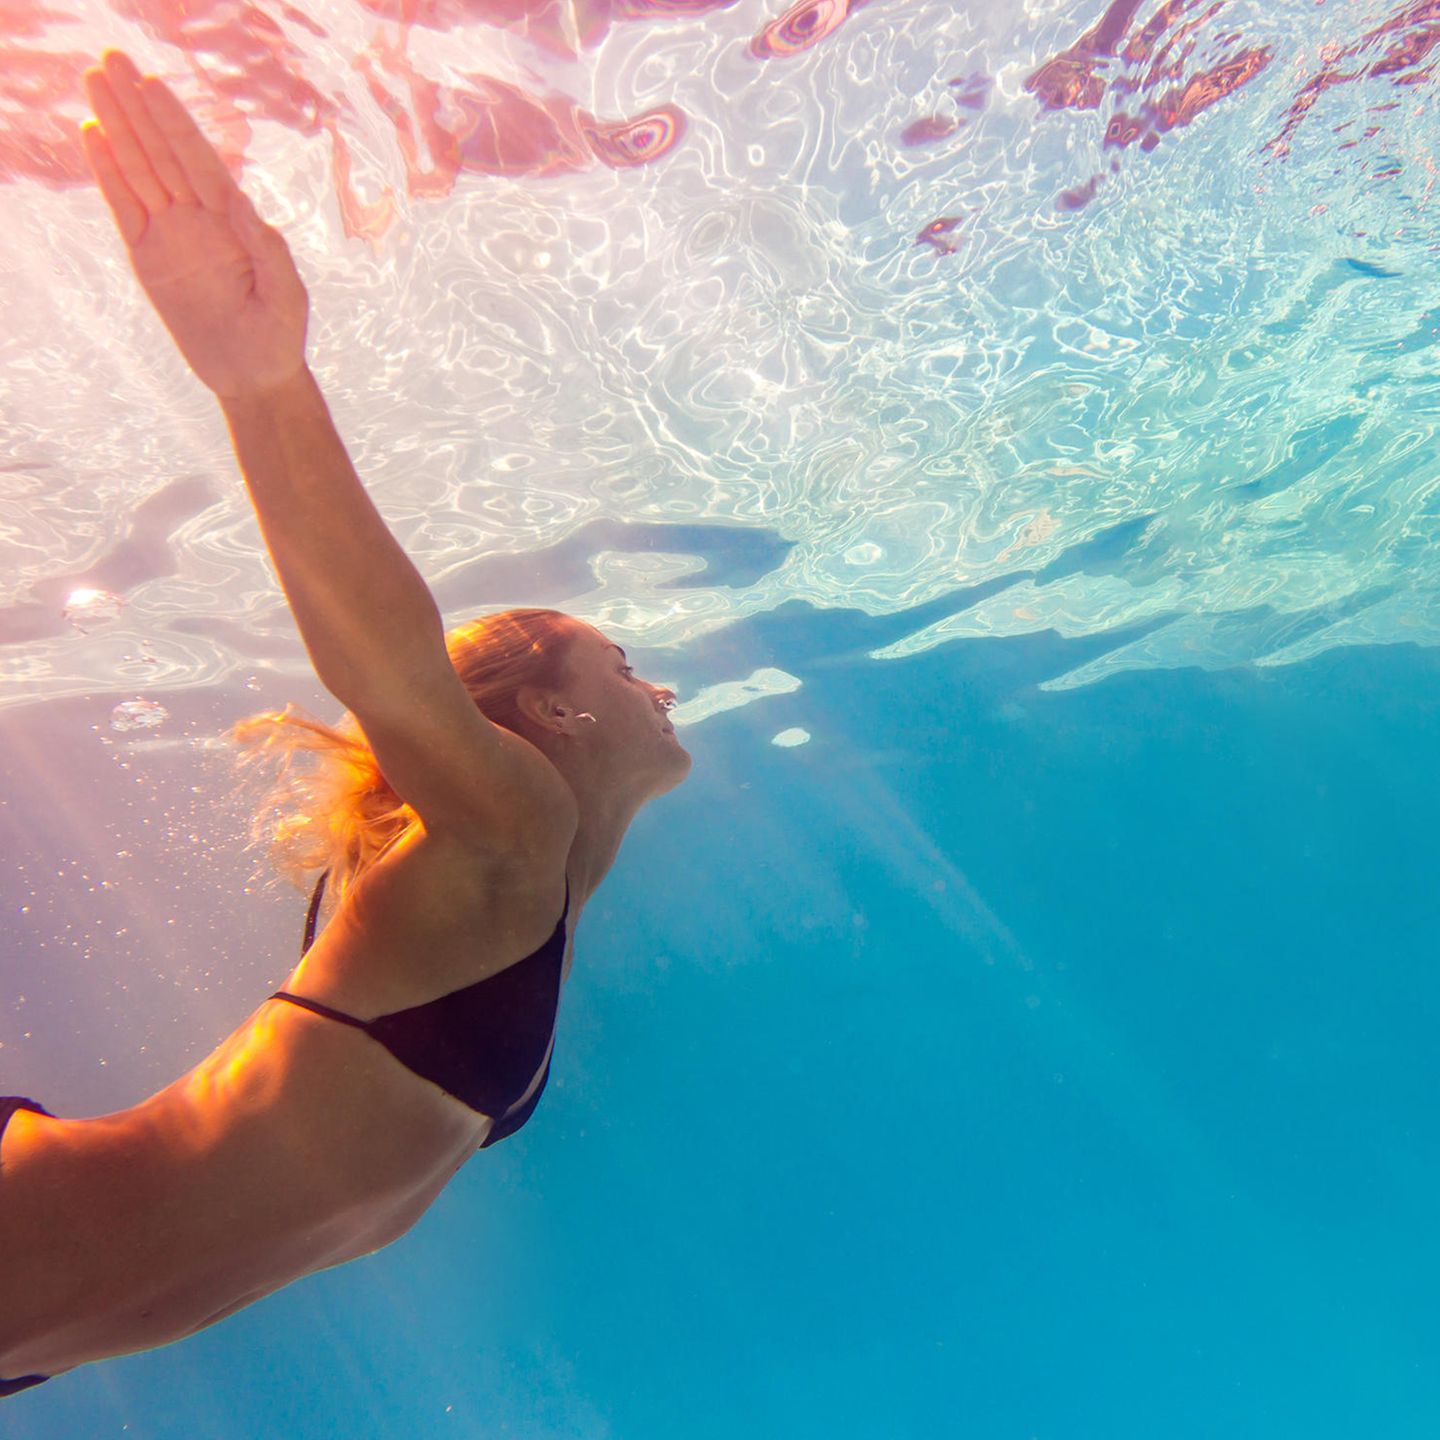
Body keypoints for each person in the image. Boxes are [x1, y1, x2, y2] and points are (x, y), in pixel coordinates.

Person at [0, 48, 691, 1396]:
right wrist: (260, 380)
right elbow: (389, 669)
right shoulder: (510, 828)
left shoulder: (505, 890)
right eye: (625, 660)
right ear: (550, 707)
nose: (657, 685)